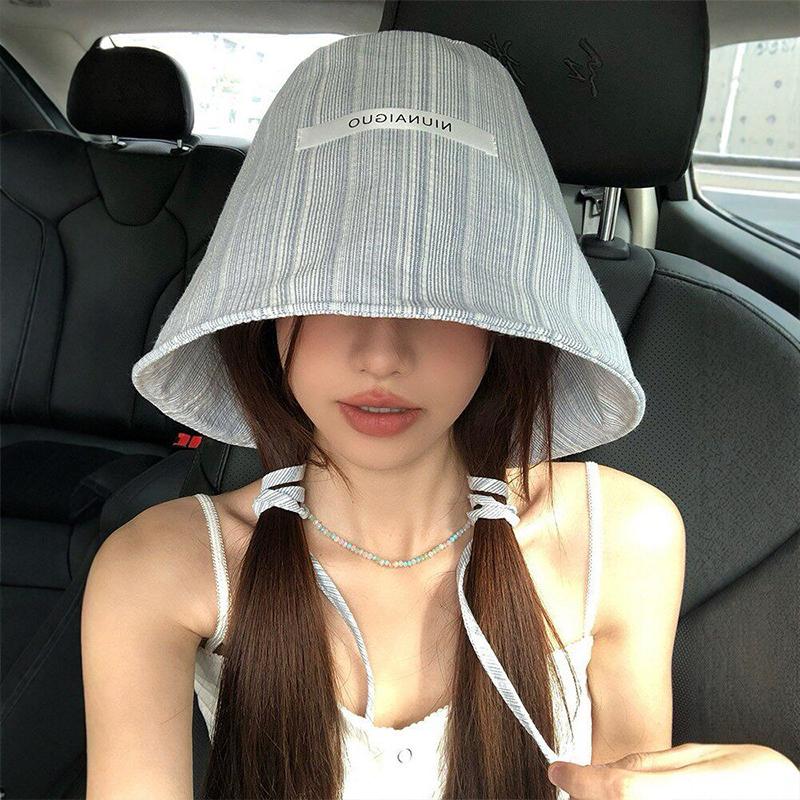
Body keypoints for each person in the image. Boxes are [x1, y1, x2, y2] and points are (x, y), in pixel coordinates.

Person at [82, 29, 799, 800]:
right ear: (267, 310)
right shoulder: (160, 570)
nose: (381, 354)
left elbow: (628, 783)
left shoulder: (622, 538)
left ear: (501, 321)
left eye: (441, 295)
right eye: (328, 289)